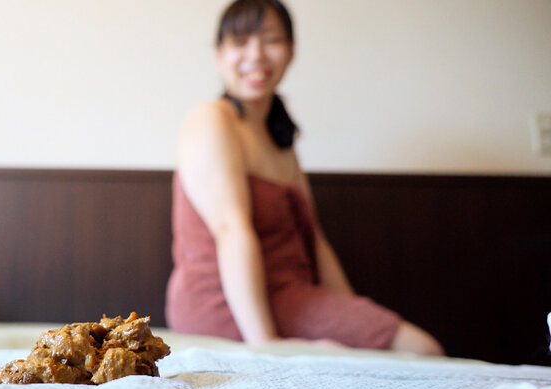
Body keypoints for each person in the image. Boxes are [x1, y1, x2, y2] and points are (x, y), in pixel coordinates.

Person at [165, 0, 443, 355]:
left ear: (291, 51)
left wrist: (353, 313)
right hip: (228, 304)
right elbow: (231, 230)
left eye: (270, 40)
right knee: (421, 349)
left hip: (290, 296)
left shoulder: (281, 142)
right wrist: (266, 344)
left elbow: (315, 240)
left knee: (414, 351)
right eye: (241, 42)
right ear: (219, 55)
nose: (256, 54)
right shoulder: (212, 119)